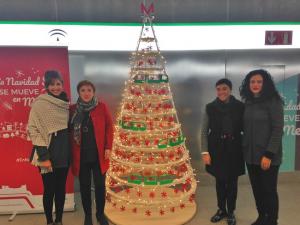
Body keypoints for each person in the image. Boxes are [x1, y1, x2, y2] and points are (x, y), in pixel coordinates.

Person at [240, 69, 283, 225]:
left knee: (269, 191)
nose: (255, 84)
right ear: (248, 84)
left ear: (265, 83)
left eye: (259, 81)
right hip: (251, 156)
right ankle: (262, 217)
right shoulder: (248, 102)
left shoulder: (274, 101)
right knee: (257, 190)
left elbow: (278, 129)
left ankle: (272, 221)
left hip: (268, 157)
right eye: (252, 81)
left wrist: (269, 154)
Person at [27, 70, 70, 225]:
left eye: (58, 84)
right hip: (48, 152)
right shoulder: (40, 103)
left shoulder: (65, 104)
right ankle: (49, 221)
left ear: (62, 85)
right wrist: (44, 156)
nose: (55, 87)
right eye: (52, 84)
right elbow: (33, 129)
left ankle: (59, 220)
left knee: (60, 190)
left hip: (64, 152)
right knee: (49, 190)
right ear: (47, 86)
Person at [200, 78, 245, 225]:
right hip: (216, 150)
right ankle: (221, 209)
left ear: (230, 89)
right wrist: (205, 152)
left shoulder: (240, 107)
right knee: (220, 182)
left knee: (232, 183)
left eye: (224, 88)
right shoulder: (210, 107)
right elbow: (204, 132)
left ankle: (231, 211)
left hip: (234, 149)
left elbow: (246, 128)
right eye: (218, 89)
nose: (221, 92)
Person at [70, 80, 113, 225]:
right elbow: (68, 131)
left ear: (93, 92)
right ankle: (88, 216)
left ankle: (100, 214)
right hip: (80, 156)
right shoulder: (73, 109)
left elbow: (109, 127)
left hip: (99, 155)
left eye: (89, 90)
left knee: (100, 186)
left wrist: (108, 147)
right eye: (83, 90)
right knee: (84, 187)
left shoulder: (102, 107)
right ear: (79, 92)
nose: (86, 93)